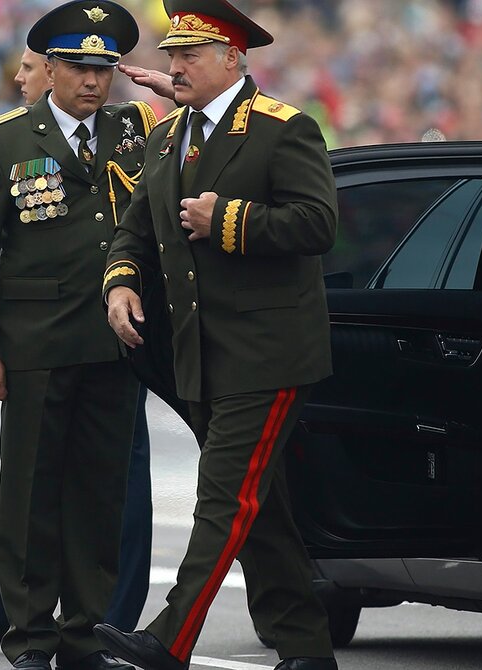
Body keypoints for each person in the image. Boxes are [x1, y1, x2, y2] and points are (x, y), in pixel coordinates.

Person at [94, 2, 340, 670]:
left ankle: (169, 638)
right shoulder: (167, 134)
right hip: (199, 356)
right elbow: (136, 230)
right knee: (262, 513)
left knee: (225, 499)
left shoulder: (283, 130)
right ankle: (307, 650)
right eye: (172, 55)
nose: (175, 65)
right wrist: (120, 282)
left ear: (232, 58)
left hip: (269, 355)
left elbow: (318, 224)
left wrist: (229, 218)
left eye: (190, 55)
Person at [0, 2, 160, 668]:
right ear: (50, 69)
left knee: (100, 499)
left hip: (114, 345)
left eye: (102, 69)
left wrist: (169, 84)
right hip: (35, 346)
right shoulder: (3, 139)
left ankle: (83, 632)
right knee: (33, 496)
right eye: (77, 68)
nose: (92, 82)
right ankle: (31, 634)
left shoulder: (135, 129)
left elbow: (209, 129)